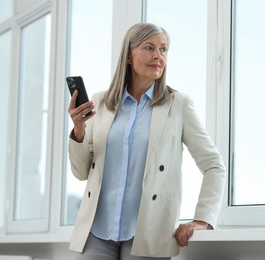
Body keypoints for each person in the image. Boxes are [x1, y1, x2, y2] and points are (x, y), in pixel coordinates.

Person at [67, 22, 226, 260]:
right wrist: (78, 131)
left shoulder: (178, 105)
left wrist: (202, 219)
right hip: (96, 233)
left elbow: (214, 165)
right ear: (129, 56)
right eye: (149, 47)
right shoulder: (100, 103)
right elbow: (81, 172)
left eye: (163, 49)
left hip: (147, 235)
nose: (158, 56)